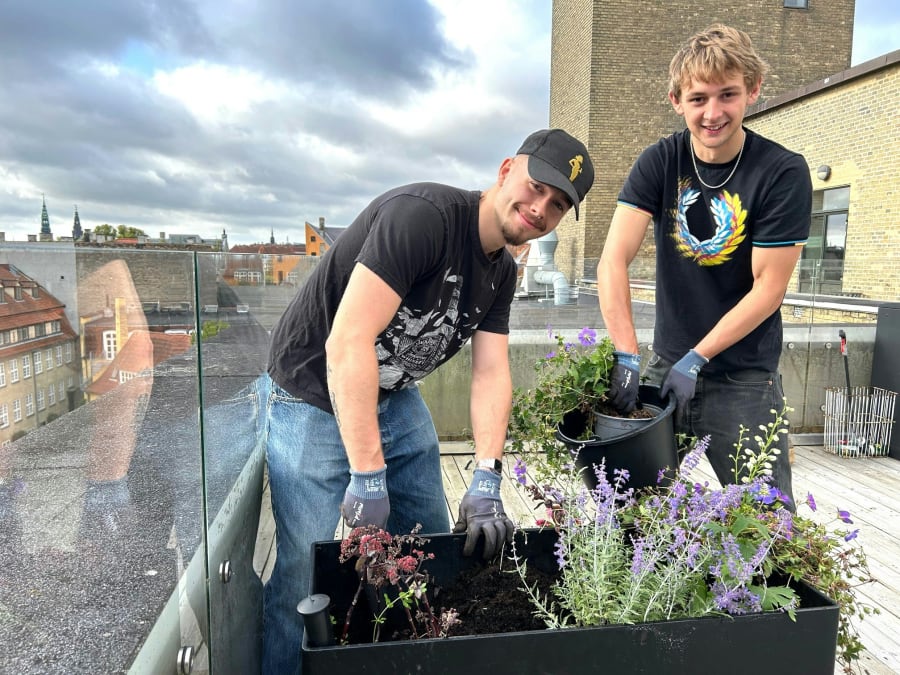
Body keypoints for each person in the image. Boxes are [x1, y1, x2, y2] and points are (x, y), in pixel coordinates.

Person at [263, 128, 594, 673]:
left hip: (394, 395)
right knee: (305, 570)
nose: (540, 208)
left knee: (429, 547)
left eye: (558, 205)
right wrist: (368, 474)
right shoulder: (424, 218)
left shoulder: (502, 273)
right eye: (536, 187)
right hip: (312, 392)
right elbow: (347, 342)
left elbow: (491, 373)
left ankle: (412, 657)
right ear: (506, 168)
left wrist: (487, 477)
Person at [598, 24, 811, 507]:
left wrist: (700, 357)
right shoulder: (660, 161)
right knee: (635, 507)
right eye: (698, 99)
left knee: (768, 521)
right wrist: (628, 356)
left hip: (744, 379)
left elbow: (768, 288)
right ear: (676, 100)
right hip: (664, 364)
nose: (712, 113)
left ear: (752, 91)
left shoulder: (781, 172)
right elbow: (613, 259)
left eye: (727, 95)